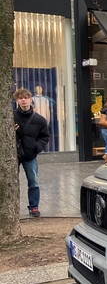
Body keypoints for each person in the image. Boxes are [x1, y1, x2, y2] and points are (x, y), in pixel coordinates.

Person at [13, 88, 49, 217]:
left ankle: (34, 206)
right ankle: (11, 208)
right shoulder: (11, 117)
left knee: (33, 181)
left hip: (30, 155)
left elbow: (45, 137)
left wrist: (36, 147)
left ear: (30, 99)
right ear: (17, 100)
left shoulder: (39, 120)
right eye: (20, 98)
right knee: (11, 182)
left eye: (25, 97)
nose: (23, 100)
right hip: (14, 156)